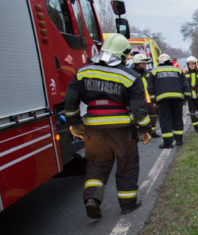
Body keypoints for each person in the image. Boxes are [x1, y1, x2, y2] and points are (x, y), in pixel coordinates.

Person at [63, 34, 151, 218]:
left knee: (97, 164)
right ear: (123, 54)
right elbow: (138, 108)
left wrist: (75, 123)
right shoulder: (130, 76)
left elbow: (70, 101)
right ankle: (128, 204)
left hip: (94, 129)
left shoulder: (83, 72)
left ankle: (92, 199)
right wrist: (145, 129)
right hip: (121, 130)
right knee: (127, 164)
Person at [150, 53, 187, 148]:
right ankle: (179, 140)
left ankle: (168, 143)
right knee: (177, 119)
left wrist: (154, 101)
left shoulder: (154, 72)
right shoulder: (178, 70)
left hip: (162, 100)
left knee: (165, 120)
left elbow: (150, 88)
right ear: (170, 61)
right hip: (177, 99)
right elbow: (185, 85)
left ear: (159, 62)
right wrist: (185, 98)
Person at [130, 54, 161, 138]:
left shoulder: (147, 73)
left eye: (145, 63)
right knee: (138, 116)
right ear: (137, 64)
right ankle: (140, 132)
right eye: (143, 63)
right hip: (138, 99)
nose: (145, 65)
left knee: (153, 115)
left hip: (148, 99)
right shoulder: (132, 74)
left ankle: (152, 131)